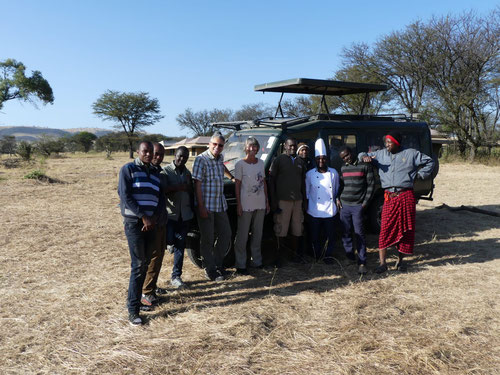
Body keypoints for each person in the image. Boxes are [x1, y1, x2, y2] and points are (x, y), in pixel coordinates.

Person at [359, 131, 434, 273]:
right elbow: (361, 154)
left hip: (406, 195)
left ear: (397, 142)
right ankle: (383, 263)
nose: (387, 145)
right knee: (384, 229)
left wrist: (421, 174)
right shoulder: (380, 154)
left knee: (405, 230)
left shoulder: (411, 154)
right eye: (386, 142)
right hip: (389, 197)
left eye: (389, 142)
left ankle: (401, 262)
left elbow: (430, 161)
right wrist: (364, 156)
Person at [118, 141, 164, 326]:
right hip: (135, 223)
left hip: (150, 224)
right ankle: (133, 310)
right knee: (138, 265)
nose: (148, 154)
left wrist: (153, 218)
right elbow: (125, 195)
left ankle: (138, 300)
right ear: (138, 152)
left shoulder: (154, 173)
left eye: (150, 152)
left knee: (145, 264)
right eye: (145, 151)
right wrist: (143, 216)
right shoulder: (128, 169)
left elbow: (160, 198)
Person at [192, 132, 234, 281]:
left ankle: (218, 265)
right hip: (207, 206)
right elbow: (196, 184)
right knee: (207, 239)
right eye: (215, 144)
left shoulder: (220, 157)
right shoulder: (201, 160)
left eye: (220, 145)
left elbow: (221, 167)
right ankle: (210, 270)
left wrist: (232, 178)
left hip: (220, 204)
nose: (217, 147)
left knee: (226, 234)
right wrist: (201, 206)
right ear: (209, 144)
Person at [234, 137, 270, 275]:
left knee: (257, 234)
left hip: (259, 202)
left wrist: (266, 201)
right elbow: (237, 185)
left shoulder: (261, 163)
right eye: (250, 146)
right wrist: (238, 204)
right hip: (245, 203)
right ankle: (241, 264)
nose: (252, 149)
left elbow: (264, 182)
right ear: (245, 147)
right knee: (242, 235)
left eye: (255, 146)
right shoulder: (239, 164)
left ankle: (257, 261)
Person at [269, 137, 306, 265]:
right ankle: (279, 257)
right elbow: (271, 180)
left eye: (294, 146)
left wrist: (304, 200)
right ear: (285, 146)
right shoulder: (278, 160)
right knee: (281, 229)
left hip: (298, 200)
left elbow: (303, 182)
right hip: (283, 200)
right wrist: (273, 201)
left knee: (297, 228)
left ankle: (295, 255)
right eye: (290, 146)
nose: (292, 148)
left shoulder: (300, 161)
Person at [338, 146, 374, 274]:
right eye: (343, 158)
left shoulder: (364, 165)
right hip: (344, 205)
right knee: (346, 232)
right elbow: (340, 186)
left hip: (358, 206)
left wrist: (364, 204)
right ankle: (349, 257)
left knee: (359, 233)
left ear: (351, 153)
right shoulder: (343, 168)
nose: (346, 159)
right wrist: (338, 198)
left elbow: (371, 185)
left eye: (347, 155)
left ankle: (362, 262)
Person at [141, 143, 169, 306]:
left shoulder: (158, 172)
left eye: (161, 154)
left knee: (158, 256)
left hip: (161, 220)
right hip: (151, 222)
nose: (158, 157)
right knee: (152, 256)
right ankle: (146, 293)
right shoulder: (145, 172)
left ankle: (151, 287)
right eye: (156, 154)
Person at [305, 138, 340, 264]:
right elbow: (307, 192)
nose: (321, 161)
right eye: (318, 158)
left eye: (323, 158)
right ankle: (317, 254)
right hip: (315, 209)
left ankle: (328, 255)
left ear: (327, 159)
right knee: (315, 236)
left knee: (330, 236)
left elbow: (335, 190)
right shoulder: (309, 174)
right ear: (315, 159)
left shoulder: (333, 173)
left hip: (330, 210)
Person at [163, 146, 194, 288]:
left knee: (180, 246)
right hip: (170, 216)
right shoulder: (166, 171)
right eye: (180, 156)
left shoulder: (187, 173)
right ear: (175, 154)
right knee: (167, 242)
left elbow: (190, 192)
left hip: (184, 216)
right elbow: (162, 190)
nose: (182, 159)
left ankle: (176, 276)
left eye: (185, 157)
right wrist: (177, 187)